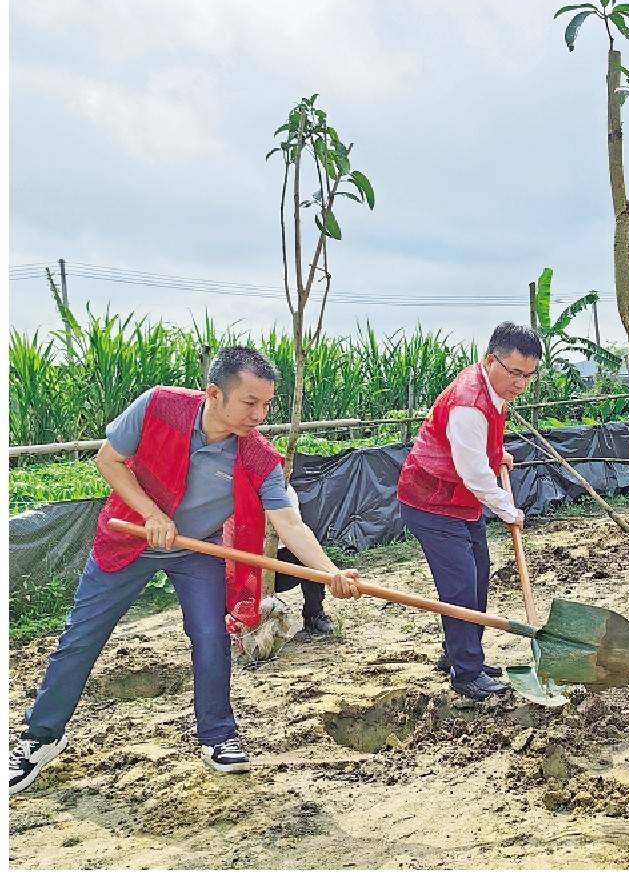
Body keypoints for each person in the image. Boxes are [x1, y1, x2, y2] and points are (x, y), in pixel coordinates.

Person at [9, 347, 362, 794]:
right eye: (250, 403)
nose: (260, 414)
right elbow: (108, 460)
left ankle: (218, 735)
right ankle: (40, 738)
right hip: (128, 538)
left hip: (195, 550)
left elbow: (288, 522)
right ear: (214, 393)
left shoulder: (258, 457)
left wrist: (330, 572)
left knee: (212, 637)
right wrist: (152, 515)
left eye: (268, 403)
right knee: (81, 637)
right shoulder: (159, 407)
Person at [397, 322, 539, 702]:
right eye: (515, 373)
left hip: (460, 501)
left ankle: (458, 654)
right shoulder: (468, 403)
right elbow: (474, 472)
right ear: (491, 360)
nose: (521, 384)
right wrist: (509, 510)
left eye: (529, 375)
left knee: (478, 576)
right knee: (460, 586)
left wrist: (498, 454)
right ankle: (467, 674)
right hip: (432, 502)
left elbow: (478, 451)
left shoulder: (492, 390)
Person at [273, 485, 335, 634]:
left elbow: (294, 529)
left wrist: (331, 571)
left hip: (283, 558)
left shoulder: (286, 491)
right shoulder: (236, 488)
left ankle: (314, 615)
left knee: (310, 558)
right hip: (249, 560)